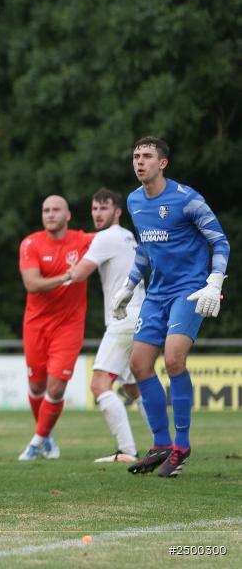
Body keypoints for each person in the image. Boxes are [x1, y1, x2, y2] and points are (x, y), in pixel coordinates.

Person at [112, 136, 229, 477]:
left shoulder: (187, 199)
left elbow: (220, 241)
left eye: (147, 156)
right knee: (139, 364)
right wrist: (128, 286)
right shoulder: (134, 200)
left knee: (174, 358)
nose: (139, 161)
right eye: (136, 156)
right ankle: (161, 445)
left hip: (189, 291)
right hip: (157, 294)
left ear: (162, 163)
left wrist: (214, 281)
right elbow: (145, 249)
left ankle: (182, 445)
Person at [68, 189, 150, 462]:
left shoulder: (106, 237)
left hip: (123, 319)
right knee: (134, 388)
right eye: (94, 208)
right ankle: (164, 445)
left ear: (117, 212)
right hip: (140, 315)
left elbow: (78, 274)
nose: (97, 213)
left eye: (104, 208)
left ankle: (127, 451)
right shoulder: (128, 236)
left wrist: (59, 274)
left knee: (99, 384)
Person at [17, 195, 94, 461]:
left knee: (57, 387)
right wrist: (68, 276)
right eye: (46, 210)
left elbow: (114, 242)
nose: (50, 214)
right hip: (36, 324)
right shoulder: (30, 243)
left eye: (56, 210)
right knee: (37, 385)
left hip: (69, 325)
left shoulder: (84, 240)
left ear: (68, 215)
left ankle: (36, 442)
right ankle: (46, 438)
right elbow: (32, 284)